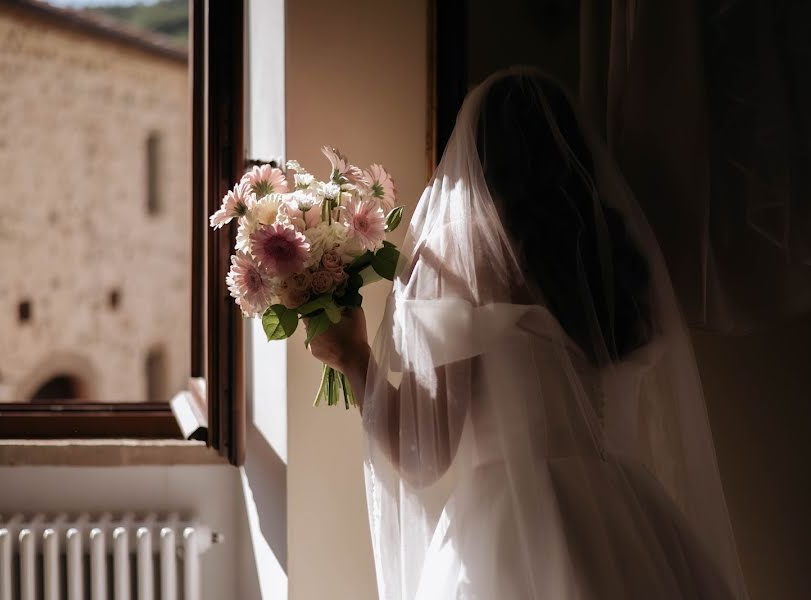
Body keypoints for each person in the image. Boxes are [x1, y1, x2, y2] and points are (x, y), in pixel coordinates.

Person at [309, 68, 749, 599]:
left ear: (479, 157)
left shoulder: (462, 252)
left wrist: (354, 357)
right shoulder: (614, 251)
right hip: (634, 523)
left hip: (514, 527)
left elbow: (424, 457)